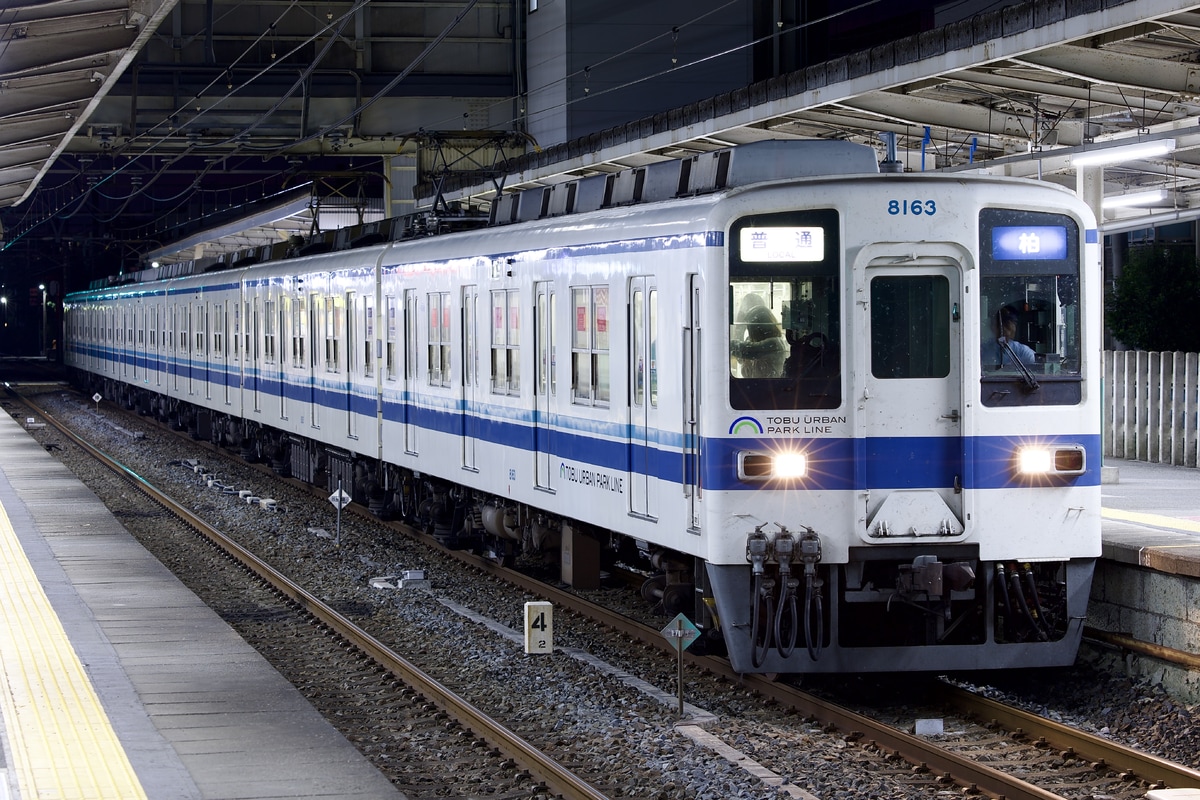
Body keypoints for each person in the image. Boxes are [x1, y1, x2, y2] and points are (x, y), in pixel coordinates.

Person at [731, 303, 787, 378]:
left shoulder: (775, 343)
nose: (748, 329)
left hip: (771, 388)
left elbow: (747, 351)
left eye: (749, 326)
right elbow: (741, 358)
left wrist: (725, 343)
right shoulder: (749, 341)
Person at [983, 305, 1036, 369]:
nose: (1005, 331)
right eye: (1000, 325)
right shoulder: (982, 350)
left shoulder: (1022, 352)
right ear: (992, 327)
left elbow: (1037, 369)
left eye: (1008, 326)